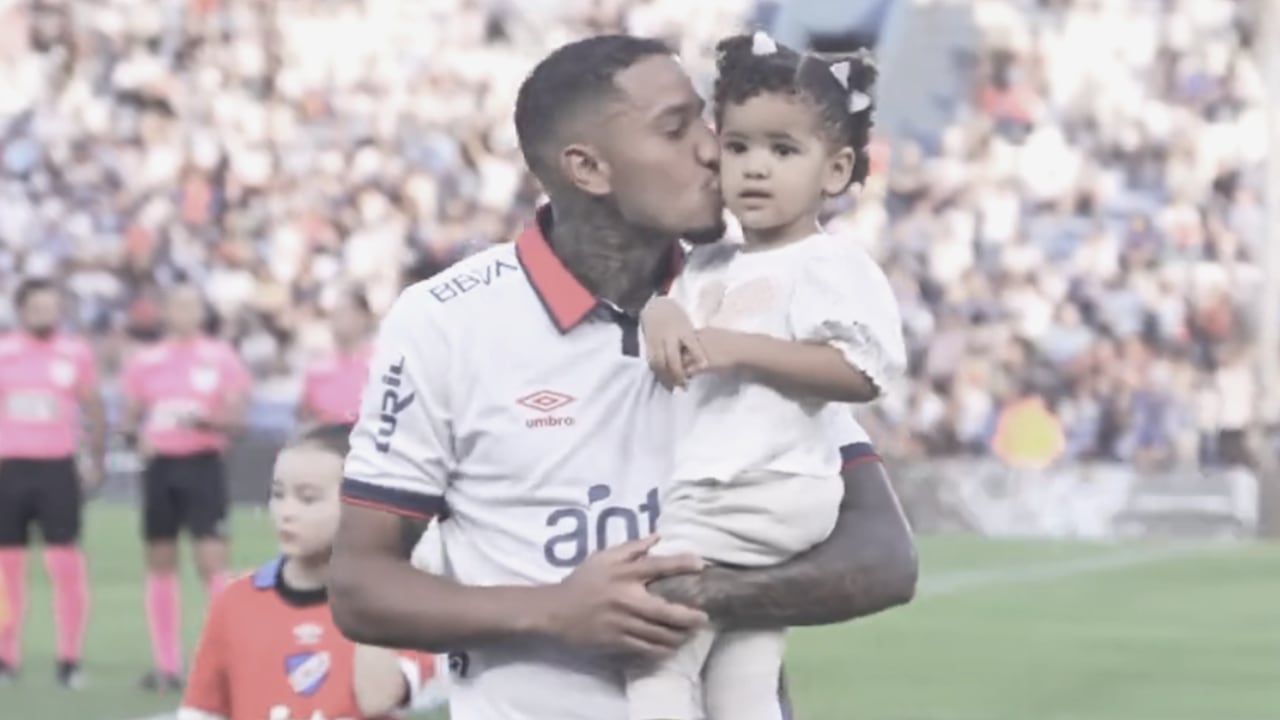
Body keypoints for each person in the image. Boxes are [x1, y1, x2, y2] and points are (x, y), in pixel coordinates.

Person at [330, 34, 917, 720]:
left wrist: (702, 597)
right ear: (588, 167)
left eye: (704, 117)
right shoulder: (444, 321)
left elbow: (883, 555)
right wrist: (554, 612)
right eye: (676, 128)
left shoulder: (753, 289)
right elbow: (362, 585)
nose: (712, 145)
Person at [627, 32, 903, 720]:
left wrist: (740, 348)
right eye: (739, 147)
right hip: (729, 486)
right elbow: (677, 350)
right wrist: (661, 314)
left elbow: (861, 371)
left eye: (784, 151)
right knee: (743, 675)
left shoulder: (828, 264)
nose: (755, 167)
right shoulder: (708, 267)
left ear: (835, 171)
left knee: (652, 647)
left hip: (756, 485)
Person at [179, 423, 443, 720]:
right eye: (278, 494)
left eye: (308, 498)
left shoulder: (398, 603)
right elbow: (201, 710)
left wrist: (368, 585)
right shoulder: (235, 601)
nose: (286, 512)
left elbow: (378, 699)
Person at [120, 283, 251, 692]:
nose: (183, 312)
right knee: (160, 559)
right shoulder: (146, 361)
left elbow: (237, 418)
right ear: (164, 312)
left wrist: (207, 421)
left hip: (202, 465)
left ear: (201, 312)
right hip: (161, 466)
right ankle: (166, 665)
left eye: (191, 305)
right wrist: (134, 435)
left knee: (212, 559)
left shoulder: (221, 358)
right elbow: (129, 419)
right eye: (176, 305)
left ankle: (226, 661)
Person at [0, 278, 106, 688]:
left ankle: (69, 659)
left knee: (65, 566)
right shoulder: (5, 352)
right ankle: (6, 658)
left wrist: (95, 458)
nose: (46, 313)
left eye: (52, 306)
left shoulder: (74, 353)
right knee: (7, 569)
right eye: (37, 307)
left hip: (56, 469)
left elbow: (92, 405)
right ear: (22, 310)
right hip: (9, 469)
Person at [297, 290, 374, 426]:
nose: (339, 319)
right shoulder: (316, 369)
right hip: (325, 440)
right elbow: (304, 418)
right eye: (335, 314)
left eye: (346, 312)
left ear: (364, 317)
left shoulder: (381, 364)